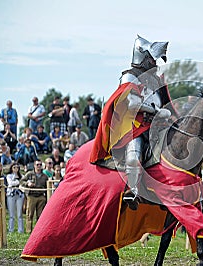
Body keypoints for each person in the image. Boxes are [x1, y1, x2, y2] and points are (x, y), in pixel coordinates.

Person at [89, 35, 174, 210]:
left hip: (157, 126)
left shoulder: (156, 80)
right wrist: (157, 111)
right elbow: (133, 103)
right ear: (143, 58)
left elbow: (165, 102)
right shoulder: (130, 77)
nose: (155, 62)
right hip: (136, 126)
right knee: (135, 151)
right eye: (152, 58)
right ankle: (133, 190)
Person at [20, 160, 49, 234]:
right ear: (34, 165)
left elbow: (47, 187)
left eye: (40, 164)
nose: (39, 166)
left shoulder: (45, 176)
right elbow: (21, 181)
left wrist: (46, 199)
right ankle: (29, 231)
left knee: (40, 215)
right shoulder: (29, 174)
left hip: (41, 196)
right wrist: (27, 183)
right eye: (37, 165)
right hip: (31, 196)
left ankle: (39, 231)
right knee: (30, 214)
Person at [6, 162, 25, 233]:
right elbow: (10, 183)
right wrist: (17, 181)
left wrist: (18, 182)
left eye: (17, 167)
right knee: (11, 214)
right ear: (11, 168)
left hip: (19, 195)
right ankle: (11, 229)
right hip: (11, 195)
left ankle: (21, 230)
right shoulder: (9, 176)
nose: (16, 169)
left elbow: (23, 182)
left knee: (19, 214)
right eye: (14, 167)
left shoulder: (21, 176)